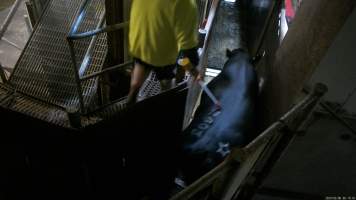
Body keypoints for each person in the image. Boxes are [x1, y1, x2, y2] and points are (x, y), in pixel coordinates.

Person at [127, 0, 200, 105]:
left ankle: (131, 102)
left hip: (140, 45)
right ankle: (164, 106)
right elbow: (187, 44)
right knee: (166, 84)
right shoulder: (185, 4)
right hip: (163, 54)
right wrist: (194, 69)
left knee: (136, 80)